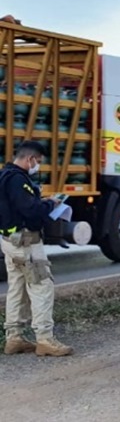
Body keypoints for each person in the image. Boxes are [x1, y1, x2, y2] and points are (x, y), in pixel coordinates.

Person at [0, 141, 72, 356]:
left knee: (17, 288)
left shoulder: (4, 176)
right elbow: (30, 210)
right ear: (30, 159)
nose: (37, 166)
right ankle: (45, 339)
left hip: (9, 242)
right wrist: (51, 204)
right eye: (38, 162)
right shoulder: (18, 180)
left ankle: (13, 338)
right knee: (42, 287)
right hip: (27, 244)